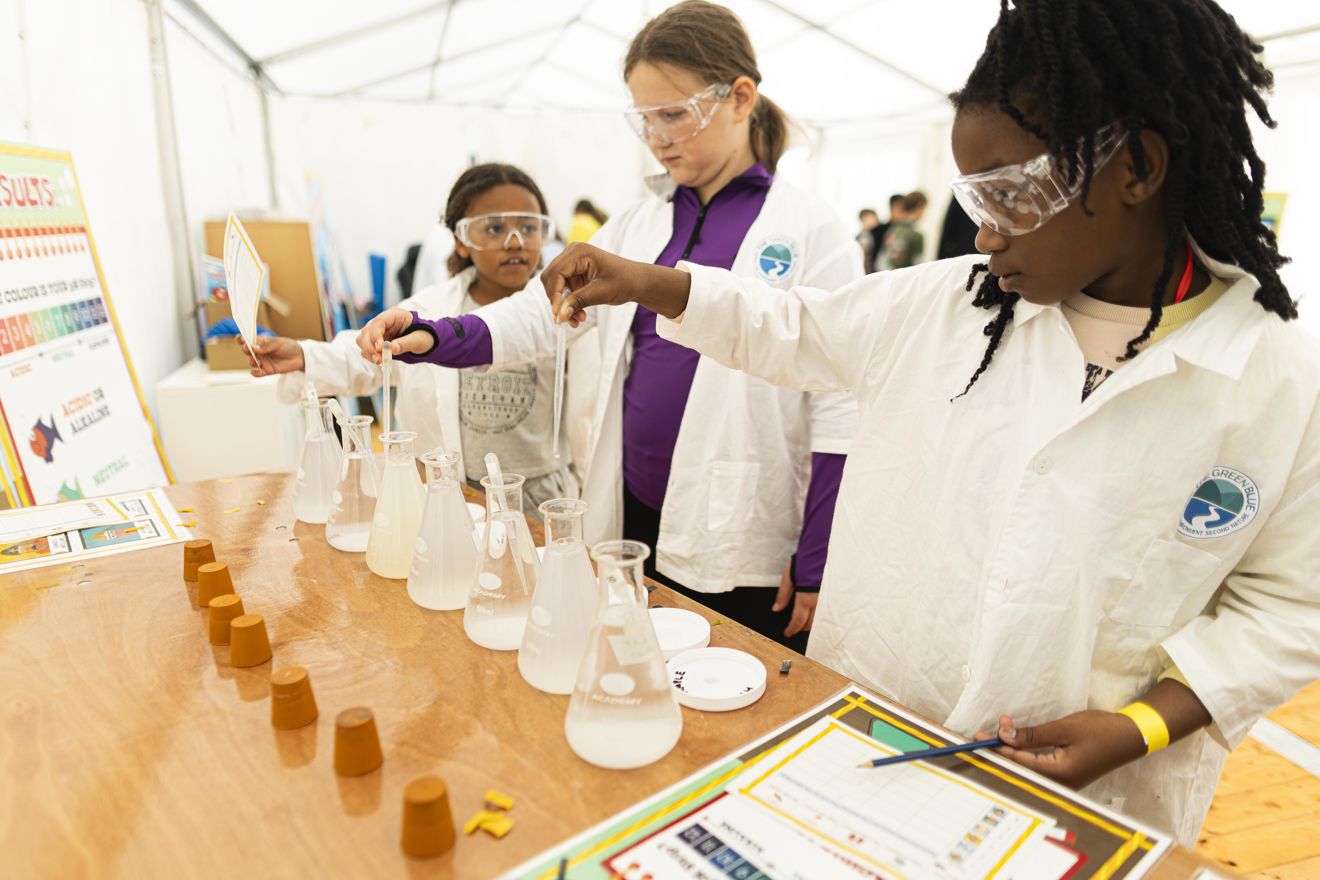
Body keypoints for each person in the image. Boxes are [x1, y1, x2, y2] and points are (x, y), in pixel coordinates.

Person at [534, 0, 1319, 845]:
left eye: (1012, 193)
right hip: (869, 740)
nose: (983, 231)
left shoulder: (1275, 381)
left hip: (1085, 804)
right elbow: (793, 325)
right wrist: (650, 282)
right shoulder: (947, 307)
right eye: (974, 196)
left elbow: (1287, 609)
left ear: (1137, 167)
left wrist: (1143, 728)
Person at [357, 0, 859, 651]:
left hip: (740, 532)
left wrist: (817, 558)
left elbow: (839, 406)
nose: (657, 138)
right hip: (631, 511)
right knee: (626, 668)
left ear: (740, 98)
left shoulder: (814, 232)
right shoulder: (641, 221)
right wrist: (435, 336)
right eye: (643, 119)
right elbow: (544, 316)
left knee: (723, 691)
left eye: (674, 114)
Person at [245, 163, 577, 508]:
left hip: (538, 498)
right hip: (453, 494)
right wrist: (304, 355)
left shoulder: (566, 309)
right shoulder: (432, 308)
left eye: (528, 227)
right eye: (493, 228)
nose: (515, 243)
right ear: (461, 242)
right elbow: (369, 353)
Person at [878, 190, 927, 270]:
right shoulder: (916, 235)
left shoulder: (892, 230)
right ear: (919, 206)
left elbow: (881, 262)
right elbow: (920, 266)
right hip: (908, 280)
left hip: (890, 277)